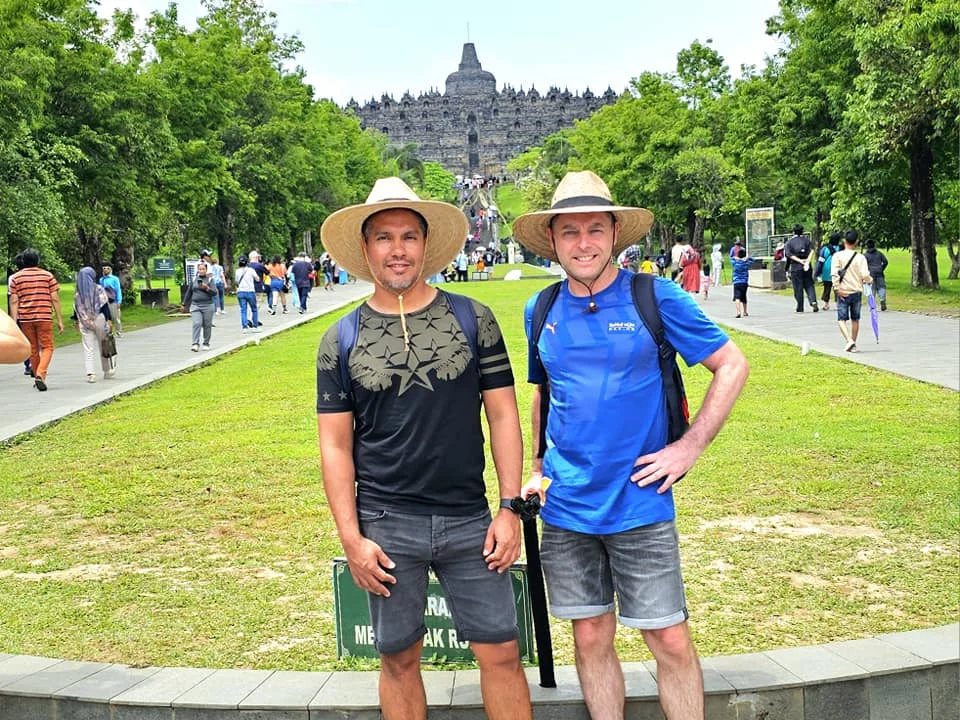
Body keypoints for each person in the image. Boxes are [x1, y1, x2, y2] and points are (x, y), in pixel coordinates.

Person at [513, 170, 749, 720]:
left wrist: (688, 448)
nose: (584, 243)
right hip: (566, 504)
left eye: (595, 228)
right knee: (591, 634)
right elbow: (544, 393)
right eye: (569, 232)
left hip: (639, 499)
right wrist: (536, 466)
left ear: (615, 233)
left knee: (667, 638)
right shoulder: (540, 310)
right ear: (552, 240)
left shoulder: (654, 297)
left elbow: (731, 364)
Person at [315, 177, 533, 720]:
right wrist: (351, 538)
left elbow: (503, 414)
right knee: (398, 658)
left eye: (409, 236)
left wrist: (510, 509)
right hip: (387, 520)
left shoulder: (472, 318)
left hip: (469, 517)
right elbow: (335, 447)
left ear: (425, 244)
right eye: (384, 237)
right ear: (365, 250)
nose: (397, 250)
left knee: (502, 652)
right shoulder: (341, 338)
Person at [8, 248, 64, 392]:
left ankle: (38, 376)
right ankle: (40, 373)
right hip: (44, 316)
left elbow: (14, 300)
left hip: (26, 318)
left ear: (23, 261)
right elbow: (55, 298)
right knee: (47, 347)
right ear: (38, 260)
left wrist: (14, 322)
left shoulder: (16, 278)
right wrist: (59, 319)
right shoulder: (47, 276)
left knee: (32, 348)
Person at [831, 229, 872, 352]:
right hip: (856, 291)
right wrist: (870, 280)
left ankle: (849, 340)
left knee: (841, 318)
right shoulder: (860, 258)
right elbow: (865, 275)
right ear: (856, 242)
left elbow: (834, 274)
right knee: (855, 318)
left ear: (844, 241)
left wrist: (837, 288)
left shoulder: (837, 256)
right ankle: (853, 343)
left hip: (843, 291)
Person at [74, 267, 115, 382]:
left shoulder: (78, 292)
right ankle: (107, 370)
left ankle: (91, 373)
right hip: (99, 319)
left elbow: (76, 309)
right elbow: (104, 306)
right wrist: (108, 320)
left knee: (88, 348)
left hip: (84, 321)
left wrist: (76, 321)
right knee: (103, 344)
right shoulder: (98, 288)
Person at [182, 260, 217, 351]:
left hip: (207, 305)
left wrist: (207, 288)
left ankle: (206, 343)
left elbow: (215, 293)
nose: (201, 271)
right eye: (200, 269)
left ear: (206, 270)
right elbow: (189, 292)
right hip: (196, 305)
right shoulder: (194, 279)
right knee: (197, 323)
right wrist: (184, 304)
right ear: (197, 270)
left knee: (207, 325)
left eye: (203, 269)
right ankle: (195, 343)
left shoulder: (210, 279)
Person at [784, 224, 818, 312]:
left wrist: (799, 261)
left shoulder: (789, 242)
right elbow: (812, 250)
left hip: (796, 266)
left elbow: (789, 255)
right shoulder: (807, 241)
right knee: (809, 284)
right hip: (807, 265)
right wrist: (807, 261)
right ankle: (813, 301)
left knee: (798, 287)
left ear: (793, 231)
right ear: (802, 231)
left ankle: (800, 306)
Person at [234, 255, 260, 334]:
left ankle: (244, 327)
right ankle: (255, 326)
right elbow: (257, 279)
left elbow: (236, 281)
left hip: (241, 292)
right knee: (254, 309)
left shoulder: (237, 271)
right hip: (250, 291)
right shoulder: (251, 270)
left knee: (243, 310)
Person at [816, 232, 842, 310]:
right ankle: (838, 304)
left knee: (827, 287)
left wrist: (818, 272)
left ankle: (826, 304)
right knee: (837, 287)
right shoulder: (841, 248)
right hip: (837, 270)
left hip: (826, 270)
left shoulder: (825, 248)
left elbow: (821, 260)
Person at [863, 239, 889, 311]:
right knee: (881, 287)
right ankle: (882, 299)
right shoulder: (879, 253)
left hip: (870, 274)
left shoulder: (865, 255)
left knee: (872, 289)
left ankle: (872, 305)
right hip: (879, 272)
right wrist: (881, 268)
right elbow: (885, 261)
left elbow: (863, 265)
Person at [99, 264, 123, 335]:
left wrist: (119, 301)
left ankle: (118, 331)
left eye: (107, 268)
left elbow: (118, 290)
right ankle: (109, 331)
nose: (106, 269)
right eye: (104, 268)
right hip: (105, 301)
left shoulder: (114, 279)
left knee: (115, 316)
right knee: (106, 316)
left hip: (113, 300)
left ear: (110, 270)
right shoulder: (101, 279)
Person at [731, 247, 753, 317]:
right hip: (744, 282)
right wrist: (747, 258)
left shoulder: (735, 263)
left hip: (736, 282)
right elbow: (752, 260)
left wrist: (736, 258)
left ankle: (738, 312)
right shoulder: (746, 263)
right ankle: (745, 312)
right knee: (744, 297)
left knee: (737, 297)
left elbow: (731, 258)